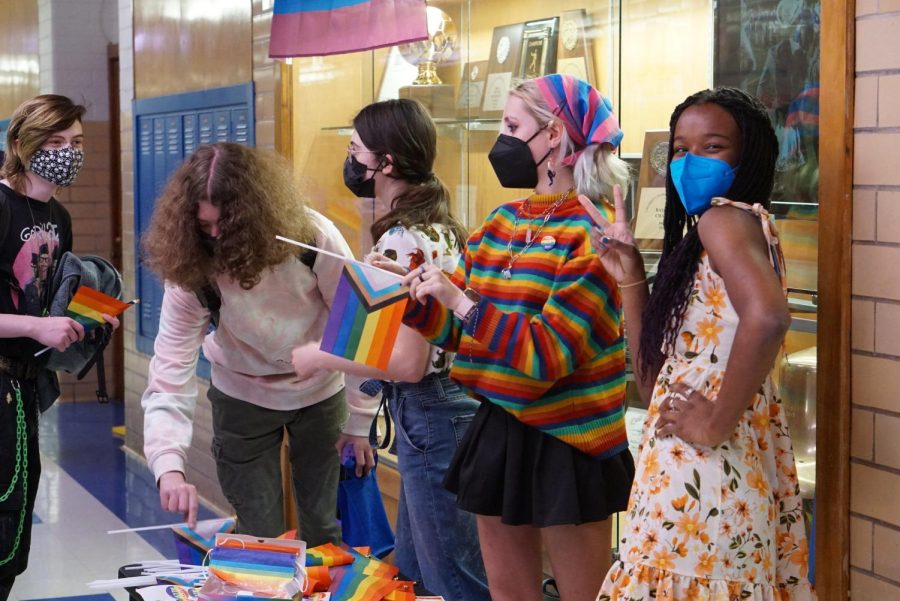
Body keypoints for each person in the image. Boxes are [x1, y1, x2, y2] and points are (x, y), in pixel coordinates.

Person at [399, 74, 636, 601]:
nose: (501, 140)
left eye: (511, 126)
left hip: (571, 440)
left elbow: (543, 355)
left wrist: (462, 302)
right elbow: (459, 336)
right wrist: (411, 297)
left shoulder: (595, 236)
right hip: (501, 427)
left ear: (554, 135)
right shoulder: (498, 223)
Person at [591, 88, 816, 599]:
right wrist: (631, 278)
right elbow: (654, 391)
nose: (689, 162)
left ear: (748, 157)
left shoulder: (724, 218)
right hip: (695, 479)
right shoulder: (724, 233)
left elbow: (768, 317)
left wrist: (713, 422)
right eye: (679, 149)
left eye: (712, 147)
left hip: (704, 486)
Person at [291, 98, 490, 601]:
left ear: (387, 163)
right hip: (443, 408)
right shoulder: (439, 226)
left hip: (431, 411)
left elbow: (407, 363)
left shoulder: (406, 237)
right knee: (417, 570)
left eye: (356, 149)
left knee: (449, 576)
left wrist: (319, 356)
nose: (350, 158)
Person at [140, 142, 376, 545]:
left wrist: (359, 422)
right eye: (203, 227)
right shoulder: (192, 264)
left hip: (320, 393)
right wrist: (169, 465)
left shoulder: (310, 236)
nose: (214, 237)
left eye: (224, 226)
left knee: (324, 531)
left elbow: (358, 326)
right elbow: (170, 369)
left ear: (253, 215)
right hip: (241, 394)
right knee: (259, 538)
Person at [0, 94, 119, 601]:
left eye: (76, 143)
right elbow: (32, 321)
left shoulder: (57, 215)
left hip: (26, 385)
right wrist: (35, 327)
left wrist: (84, 321)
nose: (68, 152)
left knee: (17, 512)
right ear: (23, 144)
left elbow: (50, 306)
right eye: (55, 142)